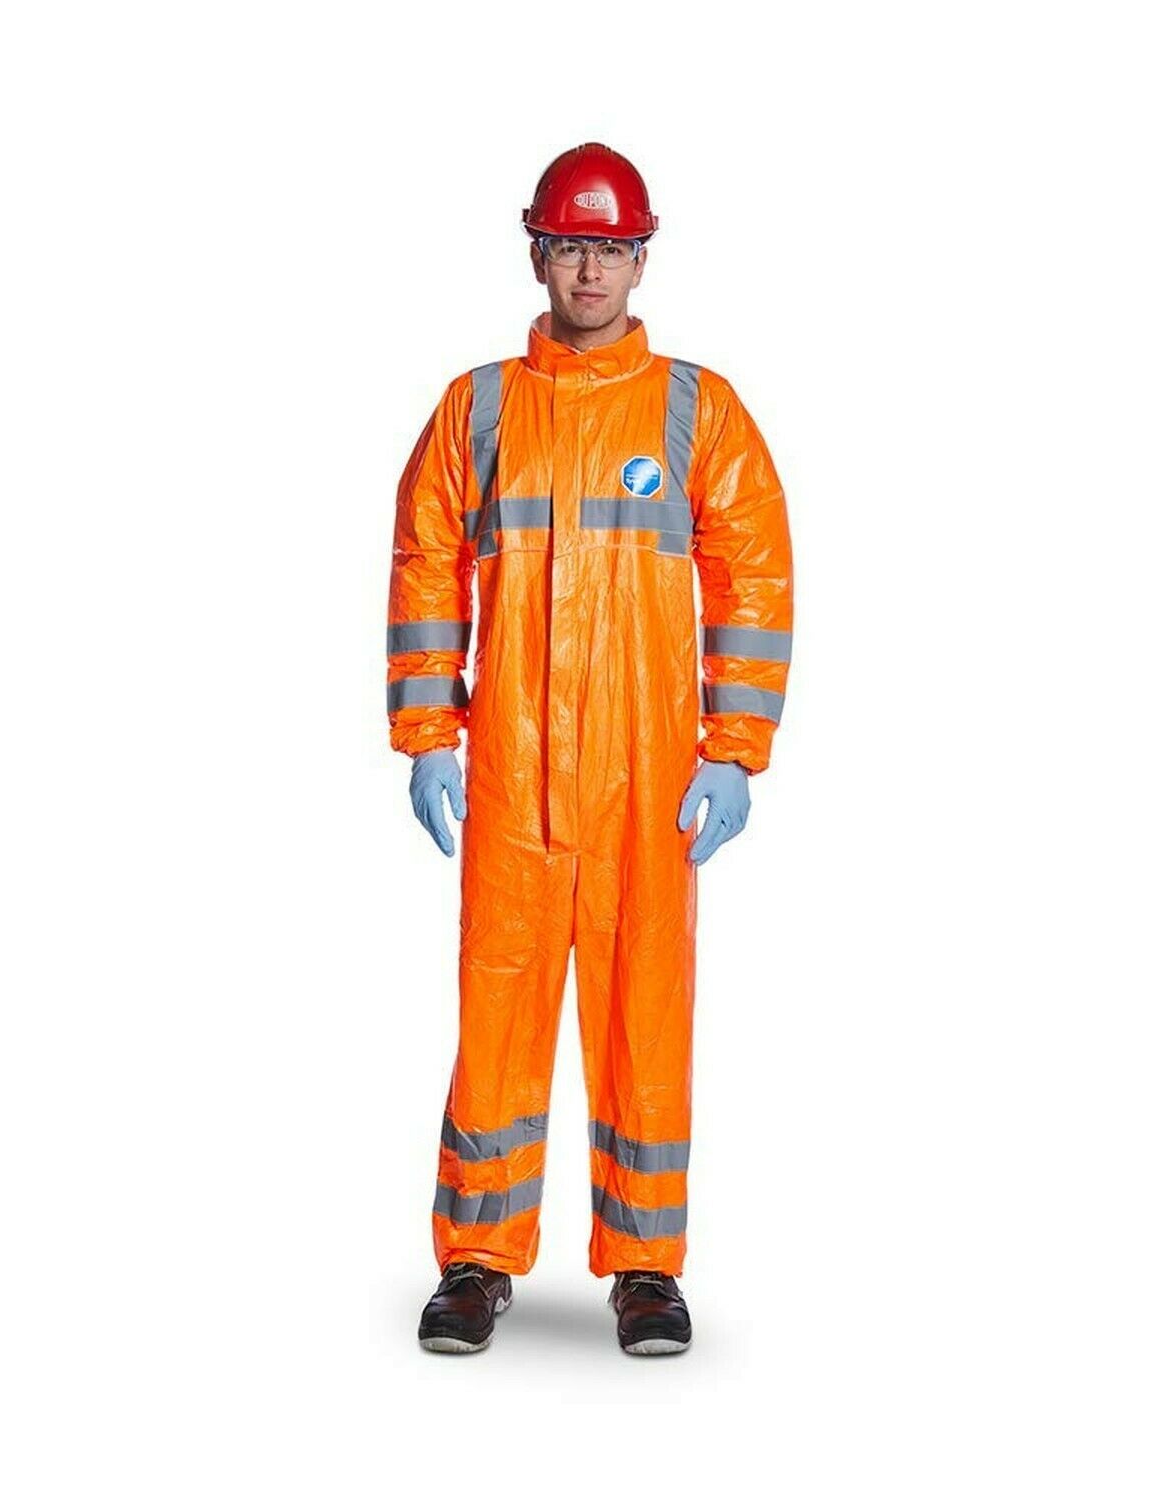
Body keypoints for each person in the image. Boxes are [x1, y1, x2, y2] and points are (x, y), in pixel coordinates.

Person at [385, 142, 794, 1355]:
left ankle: (646, 1268)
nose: (590, 270)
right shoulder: (480, 409)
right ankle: (476, 1260)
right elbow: (425, 565)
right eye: (571, 244)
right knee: (497, 1015)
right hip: (513, 777)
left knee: (643, 1020)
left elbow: (754, 572)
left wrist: (733, 748)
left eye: (611, 248)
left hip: (647, 778)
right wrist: (429, 732)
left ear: (642, 258)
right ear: (537, 252)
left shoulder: (694, 410)